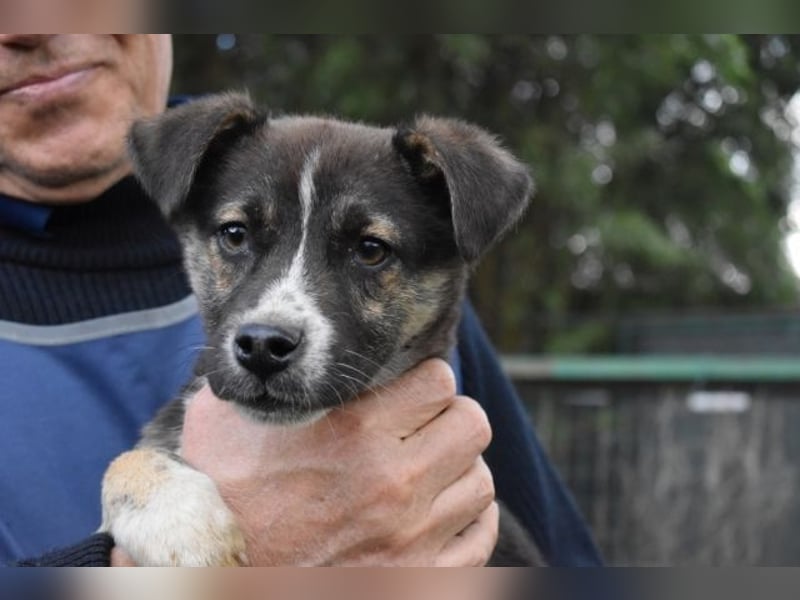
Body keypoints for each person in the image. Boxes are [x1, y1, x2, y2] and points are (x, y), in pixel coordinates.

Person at [0, 34, 601, 566]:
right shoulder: (205, 159)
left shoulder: (448, 347)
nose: (271, 319)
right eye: (236, 237)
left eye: (370, 250)